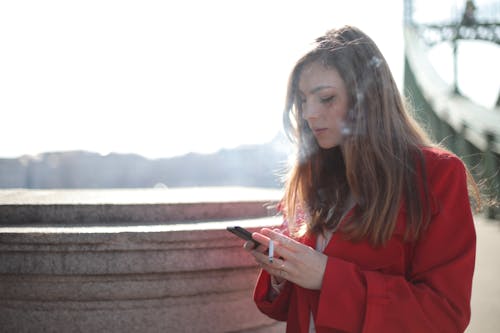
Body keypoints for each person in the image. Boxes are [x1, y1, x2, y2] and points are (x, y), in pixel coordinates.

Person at [244, 25, 480, 333]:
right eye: (303, 99)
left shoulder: (438, 175)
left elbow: (445, 316)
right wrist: (283, 269)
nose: (308, 113)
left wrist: (327, 277)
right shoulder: (314, 177)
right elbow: (295, 308)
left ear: (368, 99)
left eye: (326, 98)